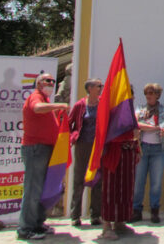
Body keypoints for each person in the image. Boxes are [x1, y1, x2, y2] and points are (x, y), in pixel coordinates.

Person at [18, 73, 68, 240]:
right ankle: (26, 229)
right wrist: (57, 105)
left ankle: (38, 222)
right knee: (33, 189)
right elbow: (37, 108)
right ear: (38, 83)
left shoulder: (45, 99)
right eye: (47, 81)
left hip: (46, 149)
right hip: (35, 148)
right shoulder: (36, 97)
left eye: (53, 81)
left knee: (46, 189)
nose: (51, 83)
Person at [133, 83, 164, 224]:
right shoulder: (140, 109)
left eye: (151, 93)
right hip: (143, 148)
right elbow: (136, 124)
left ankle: (154, 210)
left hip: (159, 149)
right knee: (139, 181)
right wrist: (156, 128)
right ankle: (136, 210)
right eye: (147, 94)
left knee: (156, 182)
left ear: (157, 95)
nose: (148, 96)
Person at [100, 108, 140, 240]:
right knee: (111, 190)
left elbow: (135, 132)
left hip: (128, 153)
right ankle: (106, 226)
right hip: (114, 153)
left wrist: (137, 149)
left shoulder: (130, 113)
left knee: (125, 188)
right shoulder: (111, 112)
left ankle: (120, 222)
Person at [68, 78, 103, 227]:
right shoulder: (80, 105)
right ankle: (75, 215)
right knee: (79, 179)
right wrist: (72, 137)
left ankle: (95, 215)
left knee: (97, 180)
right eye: (98, 86)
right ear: (89, 88)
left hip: (98, 146)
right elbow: (70, 123)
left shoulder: (103, 103)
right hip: (83, 145)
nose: (101, 88)